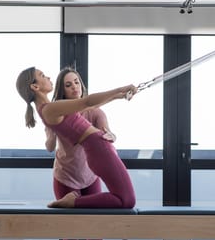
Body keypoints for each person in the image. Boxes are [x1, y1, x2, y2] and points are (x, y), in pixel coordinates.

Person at [15, 66, 137, 210]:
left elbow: (89, 106)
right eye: (42, 76)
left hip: (98, 148)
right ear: (35, 86)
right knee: (126, 200)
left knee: (125, 199)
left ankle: (74, 202)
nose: (48, 77)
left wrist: (118, 96)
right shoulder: (49, 109)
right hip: (98, 148)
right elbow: (87, 102)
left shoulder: (51, 107)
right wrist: (120, 89)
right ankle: (72, 202)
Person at [45, 67, 115, 240]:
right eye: (68, 85)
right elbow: (49, 147)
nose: (74, 87)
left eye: (76, 82)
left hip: (90, 175)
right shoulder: (57, 112)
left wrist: (108, 136)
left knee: (95, 225)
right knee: (71, 228)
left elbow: (108, 132)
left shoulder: (95, 112)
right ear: (63, 91)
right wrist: (51, 131)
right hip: (65, 176)